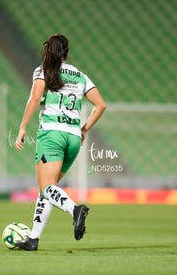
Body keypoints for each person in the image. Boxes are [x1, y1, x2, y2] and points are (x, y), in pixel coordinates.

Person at [14, 34, 106, 250]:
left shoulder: (43, 70)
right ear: (67, 52)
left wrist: (22, 127)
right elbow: (101, 105)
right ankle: (33, 239)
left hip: (52, 134)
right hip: (73, 137)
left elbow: (35, 98)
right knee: (48, 189)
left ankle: (75, 210)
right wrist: (84, 129)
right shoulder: (80, 76)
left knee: (46, 187)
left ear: (48, 49)